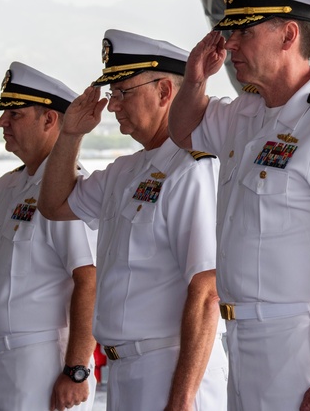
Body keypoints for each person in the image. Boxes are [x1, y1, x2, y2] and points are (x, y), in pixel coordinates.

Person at [169, 0, 310, 411]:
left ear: (288, 36)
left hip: (300, 344)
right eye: (228, 32)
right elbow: (183, 129)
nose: (230, 45)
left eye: (244, 32)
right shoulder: (244, 115)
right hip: (242, 339)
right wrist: (194, 80)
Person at [37, 29, 227, 411]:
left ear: (164, 93)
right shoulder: (124, 172)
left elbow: (207, 290)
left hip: (170, 367)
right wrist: (71, 134)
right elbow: (54, 204)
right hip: (125, 373)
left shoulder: (191, 169)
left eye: (123, 92)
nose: (112, 106)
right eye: (112, 94)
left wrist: (182, 397)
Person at [0, 61, 98, 411]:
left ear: (49, 120)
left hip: (39, 363)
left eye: (15, 114)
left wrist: (77, 369)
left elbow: (89, 279)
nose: (3, 122)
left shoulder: (68, 190)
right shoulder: (10, 186)